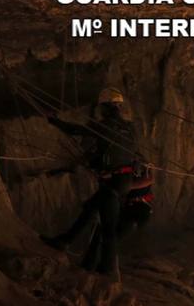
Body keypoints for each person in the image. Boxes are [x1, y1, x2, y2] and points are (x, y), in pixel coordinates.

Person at [41, 87, 141, 277]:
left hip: (114, 183)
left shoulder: (104, 126)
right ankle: (65, 241)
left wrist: (53, 119)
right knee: (90, 210)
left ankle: (109, 272)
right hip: (124, 181)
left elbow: (76, 130)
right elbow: (123, 152)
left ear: (104, 107)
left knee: (109, 230)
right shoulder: (130, 128)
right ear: (118, 107)